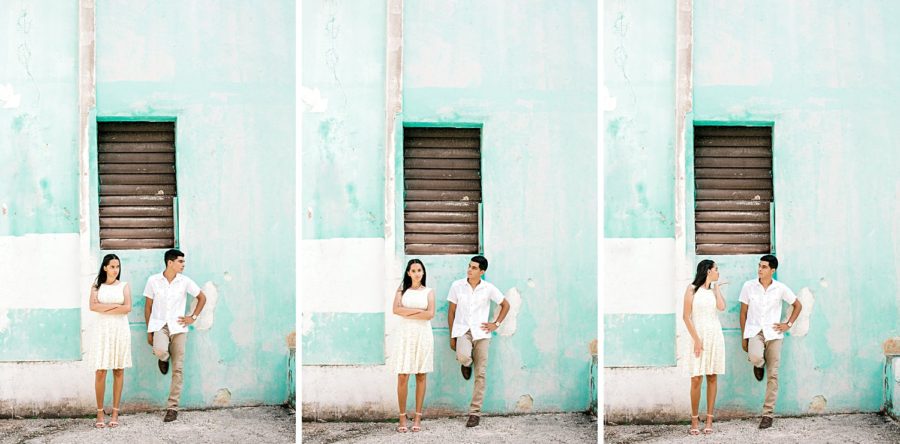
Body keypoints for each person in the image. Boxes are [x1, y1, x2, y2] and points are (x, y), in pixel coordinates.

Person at [143, 249, 207, 422]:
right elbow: (148, 307)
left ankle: (172, 407)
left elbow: (202, 297)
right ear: (170, 262)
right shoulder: (153, 281)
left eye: (184, 262)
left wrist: (192, 317)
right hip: (160, 325)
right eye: (180, 261)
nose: (183, 265)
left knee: (178, 368)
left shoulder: (185, 281)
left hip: (179, 328)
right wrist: (149, 331)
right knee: (159, 350)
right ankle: (163, 358)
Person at [739, 254, 802, 429]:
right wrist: (744, 337)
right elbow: (743, 313)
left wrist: (788, 324)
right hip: (755, 332)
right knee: (754, 356)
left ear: (772, 270)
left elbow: (798, 305)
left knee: (773, 374)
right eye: (759, 266)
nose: (760, 269)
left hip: (774, 335)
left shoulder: (780, 288)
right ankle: (758, 365)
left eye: (764, 267)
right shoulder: (748, 286)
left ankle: (767, 414)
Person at [447, 255, 511, 427]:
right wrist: (452, 336)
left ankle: (474, 413)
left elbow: (506, 305)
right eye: (469, 266)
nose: (469, 269)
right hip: (463, 331)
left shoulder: (488, 288)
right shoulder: (457, 286)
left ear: (482, 272)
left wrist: (495, 324)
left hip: (482, 334)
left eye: (474, 268)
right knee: (462, 356)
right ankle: (466, 364)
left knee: (481, 374)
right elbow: (451, 312)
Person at [682, 259, 726, 435]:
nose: (718, 272)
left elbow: (722, 307)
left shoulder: (713, 291)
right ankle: (694, 420)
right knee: (696, 379)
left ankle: (709, 419)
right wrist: (697, 341)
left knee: (712, 376)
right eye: (716, 269)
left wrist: (717, 289)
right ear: (708, 271)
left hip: (714, 335)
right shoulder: (691, 289)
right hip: (697, 336)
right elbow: (686, 317)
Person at [391, 259, 435, 433]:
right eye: (413, 270)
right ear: (408, 273)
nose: (417, 273)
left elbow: (430, 314)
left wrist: (407, 311)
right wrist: (419, 312)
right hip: (405, 335)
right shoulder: (402, 290)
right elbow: (395, 310)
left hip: (423, 335)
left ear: (423, 273)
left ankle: (418, 416)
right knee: (402, 375)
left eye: (419, 270)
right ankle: (402, 417)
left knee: (421, 375)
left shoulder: (429, 292)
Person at [88, 254, 133, 428]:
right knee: (100, 371)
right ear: (105, 267)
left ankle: (115, 412)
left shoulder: (124, 286)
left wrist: (104, 307)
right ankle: (99, 413)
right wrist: (116, 307)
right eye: (112, 266)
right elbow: (93, 307)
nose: (115, 270)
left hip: (120, 330)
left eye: (118, 267)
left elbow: (127, 308)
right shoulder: (96, 286)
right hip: (102, 330)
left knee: (118, 370)